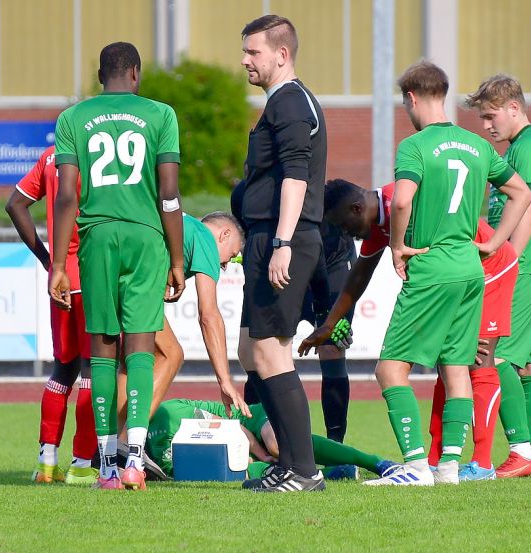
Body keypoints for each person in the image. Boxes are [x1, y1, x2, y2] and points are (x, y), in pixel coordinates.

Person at [347, 61, 530, 486]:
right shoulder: (476, 145)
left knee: (390, 370)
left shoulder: (414, 147)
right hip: (470, 270)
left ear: (411, 98)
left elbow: (403, 200)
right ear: (442, 94)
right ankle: (448, 466)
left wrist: (396, 246)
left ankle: (413, 467)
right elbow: (520, 193)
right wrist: (494, 241)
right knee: (456, 367)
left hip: (431, 268)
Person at [305, 179, 520, 482]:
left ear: (356, 208)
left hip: (489, 267)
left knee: (478, 361)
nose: (347, 234)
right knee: (451, 365)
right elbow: (359, 277)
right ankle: (442, 465)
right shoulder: (381, 221)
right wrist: (329, 324)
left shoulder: (399, 201)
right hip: (464, 271)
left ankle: (481, 463)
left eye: (345, 225)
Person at [50, 42, 185, 491]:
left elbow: (67, 196)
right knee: (142, 347)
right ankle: (135, 462)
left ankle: (106, 465)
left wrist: (57, 265)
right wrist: (177, 257)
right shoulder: (161, 115)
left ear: (100, 75)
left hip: (96, 237)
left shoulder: (72, 119)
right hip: (147, 237)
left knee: (102, 351)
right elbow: (169, 194)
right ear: (135, 72)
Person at [235, 14, 329, 493]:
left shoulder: (291, 101)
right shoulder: (283, 102)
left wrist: (282, 243)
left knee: (271, 352)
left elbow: (296, 176)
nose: (245, 59)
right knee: (251, 350)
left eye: (253, 51)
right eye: (245, 50)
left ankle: (304, 471)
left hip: (283, 238)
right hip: (268, 236)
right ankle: (288, 462)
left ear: (281, 54)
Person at [466, 74, 531, 477]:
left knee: (494, 353)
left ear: (514, 108)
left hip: (523, 264)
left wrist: (505, 256)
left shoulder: (530, 147)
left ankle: (521, 451)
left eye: (491, 116)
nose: (486, 126)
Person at [231, 180, 354, 453]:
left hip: (331, 266)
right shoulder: (243, 194)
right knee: (259, 351)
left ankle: (336, 446)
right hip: (276, 269)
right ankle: (261, 438)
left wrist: (328, 315)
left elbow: (320, 256)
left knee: (332, 348)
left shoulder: (309, 190)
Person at [5, 145, 98, 484]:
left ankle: (47, 461)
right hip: (92, 272)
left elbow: (15, 204)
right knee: (94, 367)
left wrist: (49, 262)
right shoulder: (97, 152)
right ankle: (82, 464)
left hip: (60, 277)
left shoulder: (48, 156)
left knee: (64, 368)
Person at [115, 211, 250, 427]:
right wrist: (224, 381)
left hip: (114, 274)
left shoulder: (185, 225)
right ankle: (129, 441)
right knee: (172, 355)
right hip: (135, 287)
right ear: (224, 234)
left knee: (129, 361)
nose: (225, 265)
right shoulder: (204, 237)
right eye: (231, 255)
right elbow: (209, 315)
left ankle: (112, 443)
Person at [145, 399, 399, 481]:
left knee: (278, 446)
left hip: (247, 420)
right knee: (228, 470)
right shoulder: (144, 446)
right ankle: (331, 473)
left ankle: (376, 463)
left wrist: (260, 452)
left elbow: (228, 427)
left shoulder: (170, 410)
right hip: (232, 442)